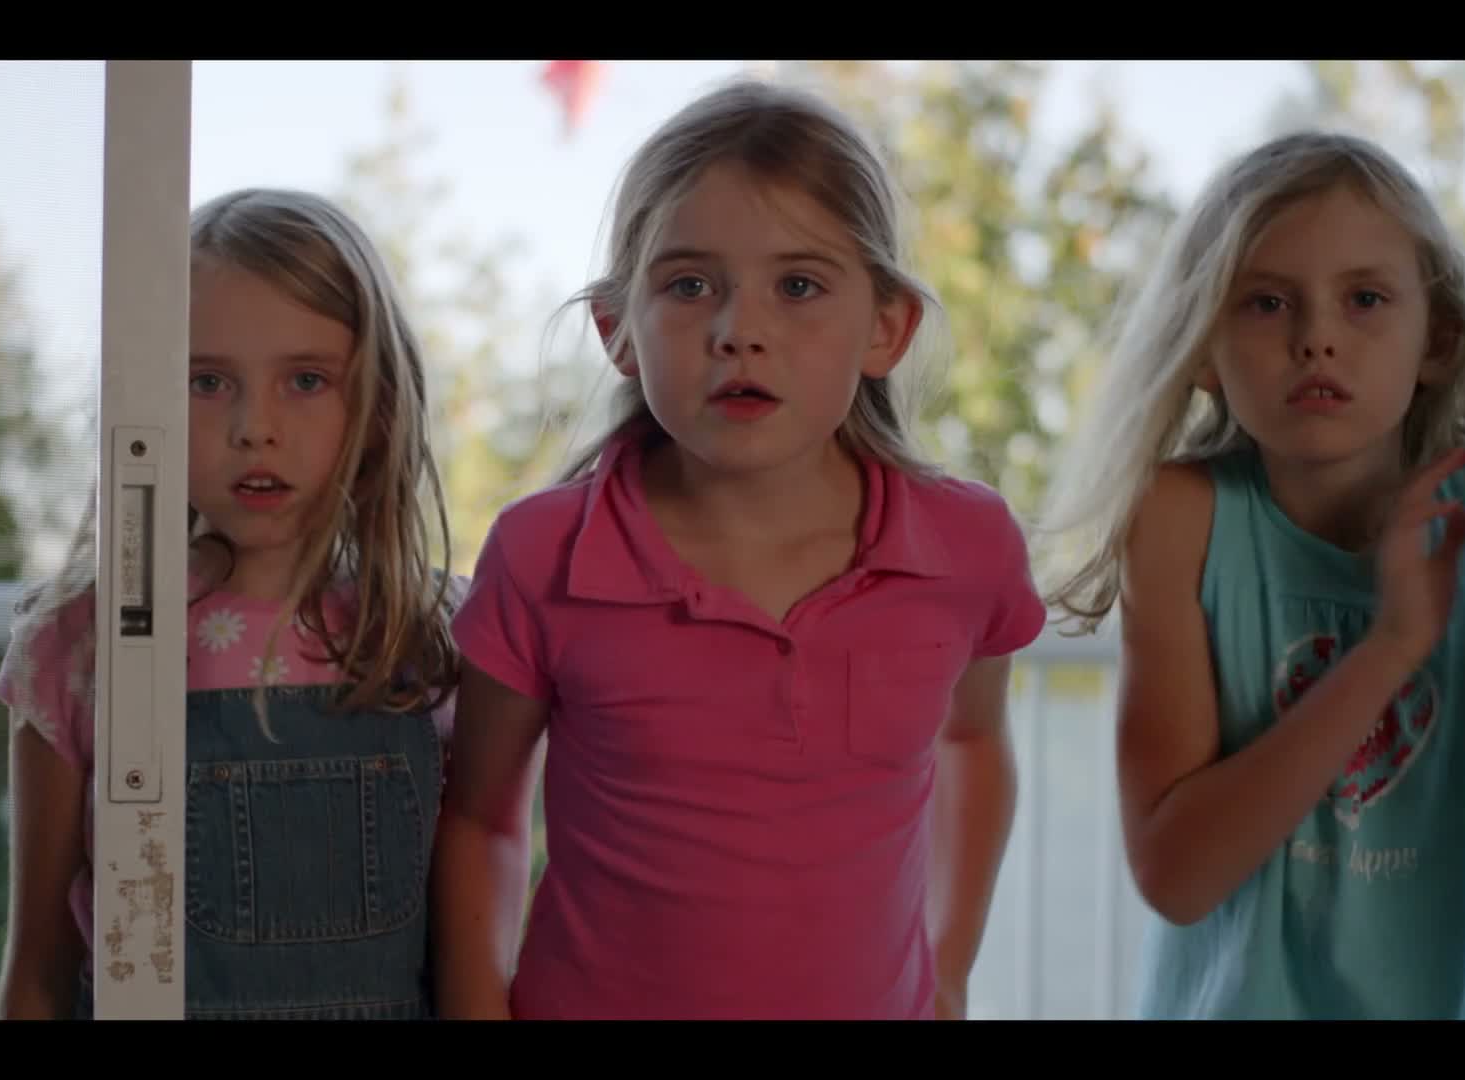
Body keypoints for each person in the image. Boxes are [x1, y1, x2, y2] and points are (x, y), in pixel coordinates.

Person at [431, 78, 1046, 1021]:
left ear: (887, 326)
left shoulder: (968, 548)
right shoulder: (539, 553)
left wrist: (950, 967)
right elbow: (480, 819)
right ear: (617, 332)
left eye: (798, 286)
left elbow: (972, 742)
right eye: (689, 286)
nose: (740, 332)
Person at [1039, 129, 1465, 1019]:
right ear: (1203, 349)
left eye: (1365, 299)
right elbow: (1178, 879)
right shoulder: (1181, 519)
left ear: (1437, 341)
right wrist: (1390, 648)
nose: (1317, 338)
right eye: (1266, 303)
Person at [0, 188, 465, 1020]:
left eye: (306, 380)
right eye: (207, 381)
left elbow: (475, 951)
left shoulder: (433, 635)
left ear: (380, 408)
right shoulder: (79, 643)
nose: (255, 427)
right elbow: (37, 969)